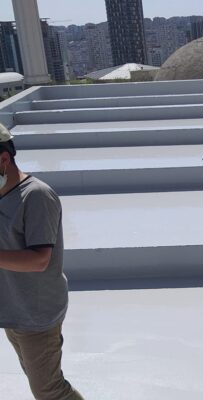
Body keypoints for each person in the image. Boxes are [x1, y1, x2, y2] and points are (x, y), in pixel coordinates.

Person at [0, 123, 83, 400]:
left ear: (3, 158)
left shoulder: (36, 196)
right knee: (40, 381)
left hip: (36, 314)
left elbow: (39, 260)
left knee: (49, 390)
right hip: (13, 309)